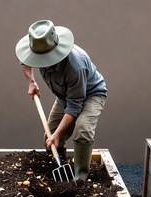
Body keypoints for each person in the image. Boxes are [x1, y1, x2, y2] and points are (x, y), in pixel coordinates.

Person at [15, 19, 107, 180]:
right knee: (49, 136)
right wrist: (31, 82)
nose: (42, 63)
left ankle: (80, 178)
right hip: (66, 96)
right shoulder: (37, 49)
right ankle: (60, 167)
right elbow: (24, 61)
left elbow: (74, 107)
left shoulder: (75, 66)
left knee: (83, 130)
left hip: (91, 95)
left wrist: (57, 134)